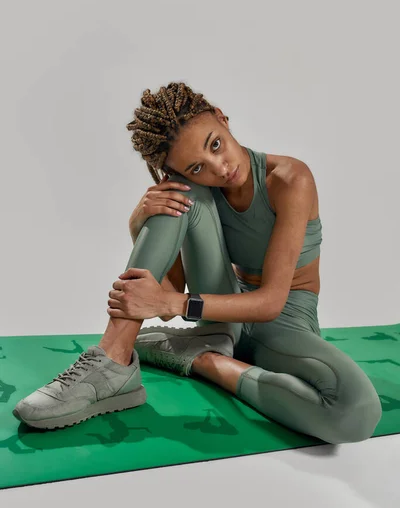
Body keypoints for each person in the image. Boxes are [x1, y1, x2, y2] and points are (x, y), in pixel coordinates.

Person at [13, 82, 382, 443]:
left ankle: (204, 360)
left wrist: (171, 305)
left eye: (216, 145)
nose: (219, 169)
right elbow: (168, 294)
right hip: (223, 313)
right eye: (196, 167)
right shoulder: (195, 191)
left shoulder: (289, 179)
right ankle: (113, 358)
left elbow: (267, 302)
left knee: (356, 412)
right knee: (176, 196)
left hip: (284, 322)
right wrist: (137, 222)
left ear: (222, 118)